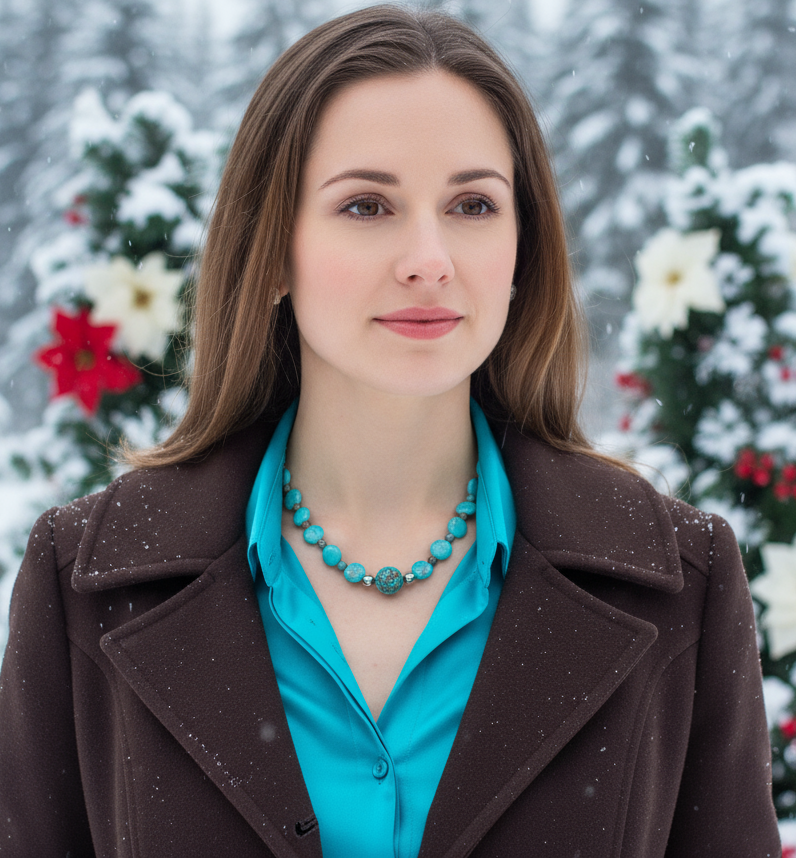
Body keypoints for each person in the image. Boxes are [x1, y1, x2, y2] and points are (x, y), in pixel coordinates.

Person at [0, 5, 780, 858]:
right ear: (273, 246)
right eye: (368, 205)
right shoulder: (83, 579)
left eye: (474, 204)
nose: (429, 257)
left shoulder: (681, 584)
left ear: (523, 250)